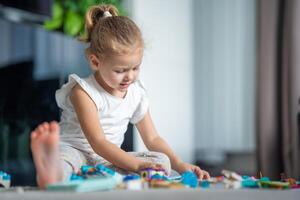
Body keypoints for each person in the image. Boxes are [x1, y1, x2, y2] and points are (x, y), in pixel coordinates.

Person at [30, 4, 210, 189]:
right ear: (95, 62)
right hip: (77, 151)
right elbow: (98, 142)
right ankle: (52, 170)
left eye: (135, 68)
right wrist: (136, 166)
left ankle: (94, 178)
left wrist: (180, 166)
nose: (129, 76)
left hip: (107, 160)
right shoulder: (83, 92)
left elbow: (153, 139)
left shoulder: (136, 94)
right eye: (120, 70)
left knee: (161, 160)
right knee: (66, 160)